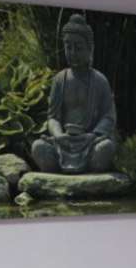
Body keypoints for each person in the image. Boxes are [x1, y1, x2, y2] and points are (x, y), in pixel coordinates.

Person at [31, 14, 117, 175]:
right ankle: (61, 164)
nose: (72, 53)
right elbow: (53, 117)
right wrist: (58, 135)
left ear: (90, 49)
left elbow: (109, 116)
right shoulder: (60, 79)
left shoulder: (100, 80)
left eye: (78, 48)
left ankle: (88, 164)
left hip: (89, 142)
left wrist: (93, 135)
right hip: (63, 143)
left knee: (105, 148)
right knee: (38, 147)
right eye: (68, 47)